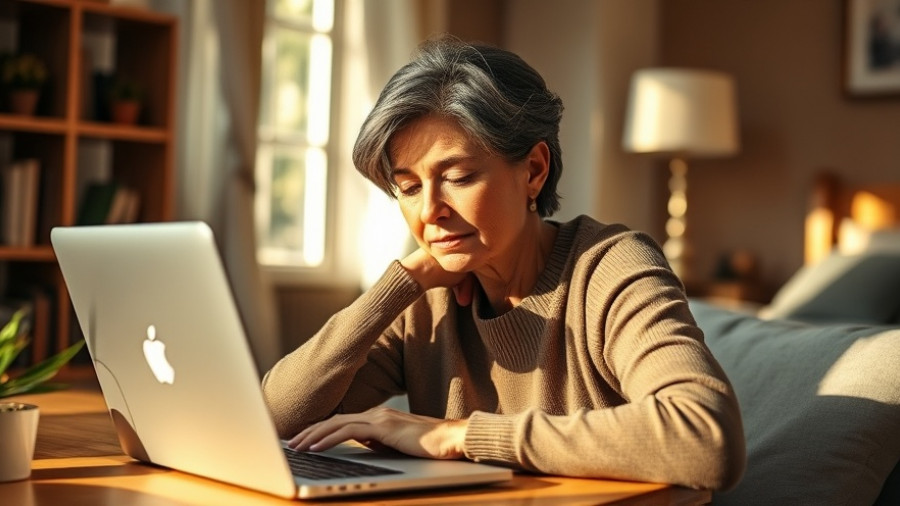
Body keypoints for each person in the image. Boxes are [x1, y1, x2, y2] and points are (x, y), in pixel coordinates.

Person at [262, 36, 746, 491]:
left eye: (458, 176)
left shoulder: (610, 267)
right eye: (408, 188)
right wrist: (398, 286)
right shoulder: (426, 301)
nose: (430, 211)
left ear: (533, 171)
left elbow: (705, 436)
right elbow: (274, 418)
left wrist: (460, 436)